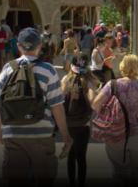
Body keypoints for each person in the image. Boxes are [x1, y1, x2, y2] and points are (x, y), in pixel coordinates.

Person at [0, 29, 72, 186]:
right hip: (41, 134)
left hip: (13, 133)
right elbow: (57, 107)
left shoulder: (8, 68)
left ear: (18, 46)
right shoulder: (48, 70)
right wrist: (66, 136)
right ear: (39, 46)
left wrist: (1, 131)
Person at [92, 55, 138, 184]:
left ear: (122, 67)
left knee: (119, 173)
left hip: (116, 133)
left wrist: (104, 119)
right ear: (137, 68)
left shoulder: (112, 85)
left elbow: (96, 102)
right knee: (136, 174)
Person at [60, 53, 97, 187]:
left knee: (71, 156)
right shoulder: (89, 81)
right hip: (83, 125)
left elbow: (61, 100)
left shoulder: (66, 79)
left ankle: (71, 183)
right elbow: (93, 101)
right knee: (81, 157)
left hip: (68, 124)